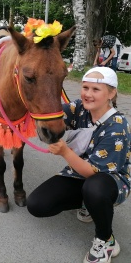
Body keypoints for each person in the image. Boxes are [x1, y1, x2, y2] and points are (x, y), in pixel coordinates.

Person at [27, 67, 130, 263]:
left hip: (109, 180)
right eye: (85, 87)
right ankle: (89, 205)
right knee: (37, 205)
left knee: (95, 188)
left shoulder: (117, 127)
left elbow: (92, 172)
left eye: (95, 89)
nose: (88, 94)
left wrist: (65, 151)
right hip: (78, 172)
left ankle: (106, 240)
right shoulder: (79, 108)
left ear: (112, 93)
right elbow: (52, 117)